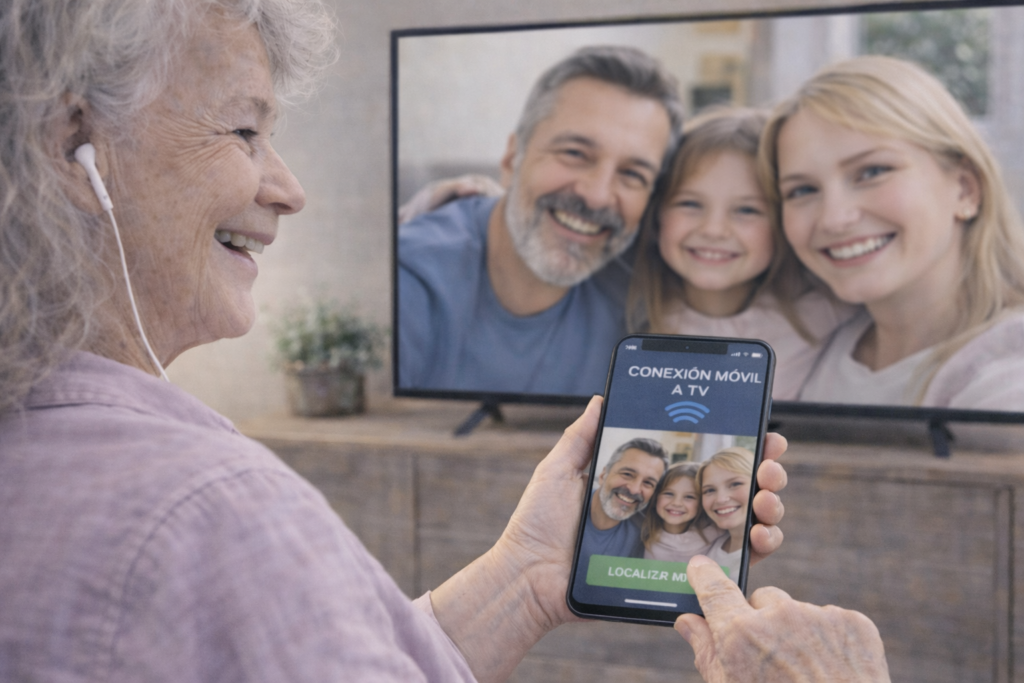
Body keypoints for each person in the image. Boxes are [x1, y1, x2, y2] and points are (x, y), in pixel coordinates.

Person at [0, 1, 803, 681]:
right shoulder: (213, 507)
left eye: (635, 174)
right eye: (244, 130)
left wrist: (525, 576)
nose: (289, 188)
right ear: (78, 141)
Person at [396, 45, 683, 396]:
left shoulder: (650, 293)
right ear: (511, 158)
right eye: (574, 153)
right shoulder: (406, 282)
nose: (596, 195)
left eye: (633, 174)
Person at [760, 55, 1024, 409]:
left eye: (872, 172)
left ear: (965, 189)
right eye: (802, 190)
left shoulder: (1007, 380)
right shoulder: (810, 346)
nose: (834, 219)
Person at [628, 107, 851, 400]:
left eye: (747, 210)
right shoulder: (629, 313)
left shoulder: (829, 312)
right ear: (657, 213)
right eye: (690, 204)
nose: (714, 230)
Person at [641, 461, 719, 562]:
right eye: (669, 494)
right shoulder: (643, 530)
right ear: (656, 496)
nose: (677, 503)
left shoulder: (715, 533)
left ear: (701, 503)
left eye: (689, 497)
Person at [698, 447, 755, 581]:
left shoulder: (763, 557)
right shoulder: (711, 543)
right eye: (709, 490)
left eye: (735, 484)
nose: (720, 499)